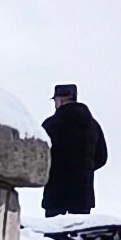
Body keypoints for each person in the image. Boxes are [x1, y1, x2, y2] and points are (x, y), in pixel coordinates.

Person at [41, 83, 108, 219]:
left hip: (56, 192)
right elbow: (102, 157)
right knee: (77, 236)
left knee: (52, 236)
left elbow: (39, 157)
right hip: (82, 194)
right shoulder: (93, 126)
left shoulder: (50, 125)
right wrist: (84, 169)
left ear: (59, 100)